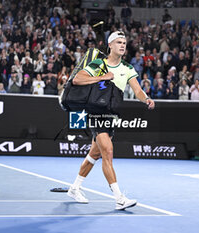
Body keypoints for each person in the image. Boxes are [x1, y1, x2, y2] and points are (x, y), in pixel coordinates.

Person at [68, 31, 155, 210]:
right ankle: (119, 198)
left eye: (124, 42)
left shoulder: (127, 68)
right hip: (95, 113)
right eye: (118, 42)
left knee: (95, 154)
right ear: (110, 45)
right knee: (107, 151)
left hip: (111, 115)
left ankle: (74, 188)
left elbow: (137, 89)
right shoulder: (99, 64)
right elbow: (77, 79)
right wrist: (102, 77)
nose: (122, 45)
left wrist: (145, 98)